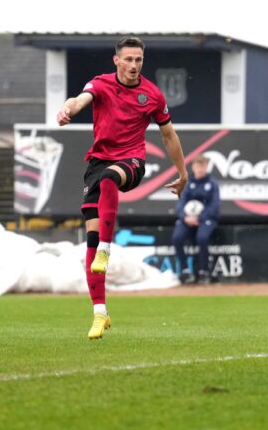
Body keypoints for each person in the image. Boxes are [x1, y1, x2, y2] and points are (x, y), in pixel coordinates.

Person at [56, 36, 188, 339]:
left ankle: (106, 248)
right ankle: (99, 313)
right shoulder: (101, 84)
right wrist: (68, 109)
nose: (133, 65)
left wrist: (182, 174)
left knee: (109, 180)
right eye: (128, 59)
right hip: (97, 163)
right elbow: (80, 99)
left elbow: (169, 135)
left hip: (131, 162)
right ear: (116, 60)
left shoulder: (152, 95)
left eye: (138, 60)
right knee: (90, 234)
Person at [172, 155, 220, 284]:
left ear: (206, 167)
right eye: (198, 166)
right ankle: (185, 272)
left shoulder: (212, 184)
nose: (200, 169)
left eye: (203, 167)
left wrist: (199, 217)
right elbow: (180, 203)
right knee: (177, 237)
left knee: (202, 238)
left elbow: (214, 206)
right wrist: (185, 217)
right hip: (188, 218)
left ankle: (204, 272)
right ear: (193, 167)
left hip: (206, 219)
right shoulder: (187, 183)